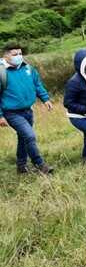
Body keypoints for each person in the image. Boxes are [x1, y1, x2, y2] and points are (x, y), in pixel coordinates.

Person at [0, 44, 54, 174]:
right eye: (15, 54)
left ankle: (21, 166)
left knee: (23, 138)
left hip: (28, 111)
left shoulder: (28, 68)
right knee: (29, 136)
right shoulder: (1, 72)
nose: (19, 57)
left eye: (20, 53)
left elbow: (37, 84)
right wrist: (0, 116)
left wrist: (45, 99)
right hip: (12, 113)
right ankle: (40, 165)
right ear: (5, 56)